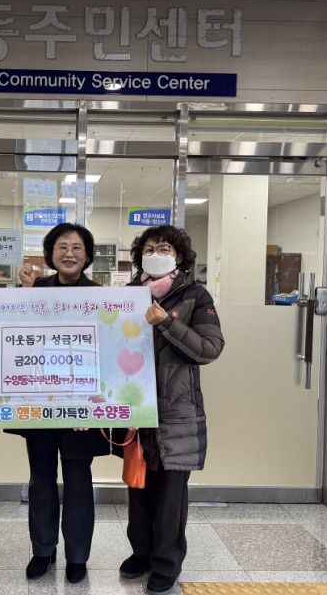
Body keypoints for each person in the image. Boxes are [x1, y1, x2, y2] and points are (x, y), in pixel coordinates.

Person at [118, 225, 224, 595]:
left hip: (176, 411)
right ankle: (141, 553)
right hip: (137, 408)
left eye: (164, 248)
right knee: (139, 485)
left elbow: (209, 349)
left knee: (170, 495)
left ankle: (166, 562)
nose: (156, 254)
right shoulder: (128, 295)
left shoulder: (195, 295)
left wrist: (166, 322)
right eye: (149, 248)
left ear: (178, 256)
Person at [11, 222, 109, 584]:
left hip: (82, 404)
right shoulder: (35, 289)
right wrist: (24, 293)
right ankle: (43, 550)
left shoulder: (100, 296)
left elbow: (108, 350)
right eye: (62, 247)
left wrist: (93, 404)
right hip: (39, 400)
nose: (69, 253)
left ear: (87, 255)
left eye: (77, 247)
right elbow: (15, 335)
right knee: (41, 479)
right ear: (51, 254)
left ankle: (78, 556)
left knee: (79, 481)